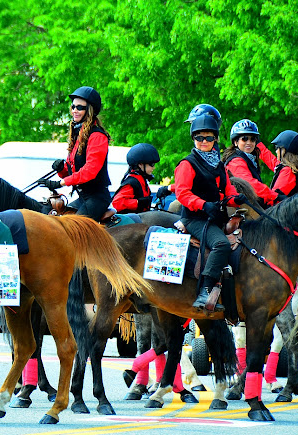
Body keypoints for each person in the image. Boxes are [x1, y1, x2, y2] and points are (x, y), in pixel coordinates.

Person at [173, 113, 246, 309]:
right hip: (195, 219)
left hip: (215, 217)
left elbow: (227, 190)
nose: (204, 141)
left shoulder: (219, 165)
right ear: (193, 139)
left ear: (215, 139)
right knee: (221, 244)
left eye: (208, 137)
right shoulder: (187, 164)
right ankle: (204, 292)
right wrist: (203, 204)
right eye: (199, 137)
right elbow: (182, 193)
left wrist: (235, 199)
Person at [42, 86, 112, 220]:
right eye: (73, 106)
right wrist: (62, 169)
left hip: (96, 199)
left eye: (80, 107)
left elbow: (89, 171)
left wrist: (60, 183)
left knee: (72, 231)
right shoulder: (78, 136)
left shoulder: (97, 136)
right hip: (82, 197)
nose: (75, 110)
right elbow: (73, 172)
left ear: (89, 110)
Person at [221, 119, 279, 206]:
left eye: (252, 139)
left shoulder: (251, 159)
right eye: (244, 139)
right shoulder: (235, 161)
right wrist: (275, 196)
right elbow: (249, 184)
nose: (249, 142)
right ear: (236, 142)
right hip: (238, 206)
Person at [256, 130, 298, 199]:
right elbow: (271, 160)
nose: (276, 151)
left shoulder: (288, 172)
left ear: (284, 150)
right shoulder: (294, 168)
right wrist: (257, 145)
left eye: (277, 148)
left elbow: (274, 199)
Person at [112, 143, 159, 214]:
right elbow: (117, 203)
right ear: (140, 164)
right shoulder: (132, 182)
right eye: (151, 164)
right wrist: (138, 202)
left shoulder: (142, 181)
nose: (153, 167)